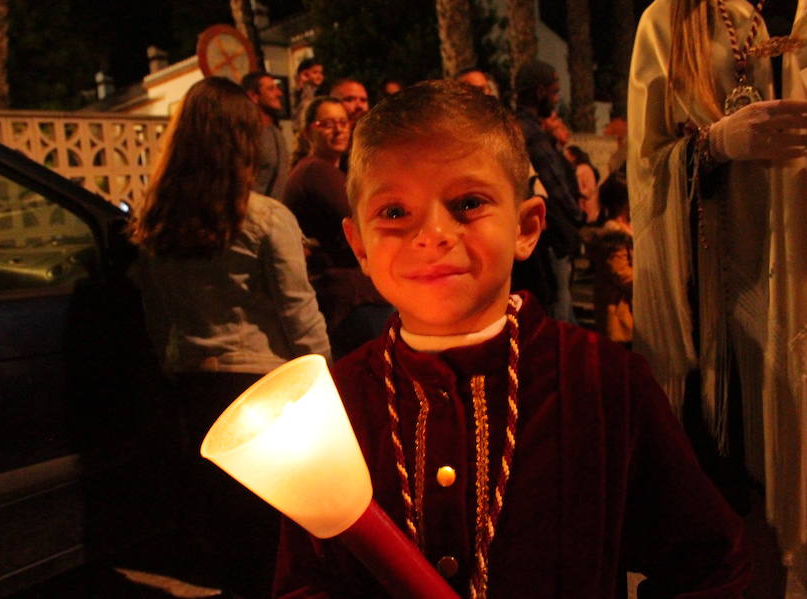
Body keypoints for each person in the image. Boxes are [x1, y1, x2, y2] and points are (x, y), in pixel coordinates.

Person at [273, 79, 750, 599]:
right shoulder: (336, 404)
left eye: (468, 203)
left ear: (526, 227)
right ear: (358, 244)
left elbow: (708, 563)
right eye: (393, 212)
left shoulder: (603, 380)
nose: (432, 234)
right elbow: (305, 581)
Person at [128, 77, 331, 598]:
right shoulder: (265, 218)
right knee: (276, 536)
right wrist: (328, 384)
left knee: (226, 533)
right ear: (241, 140)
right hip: (265, 393)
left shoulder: (157, 220)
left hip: (196, 391)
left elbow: (156, 315)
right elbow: (298, 314)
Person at [628, 1, 807, 589]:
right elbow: (648, 167)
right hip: (731, 309)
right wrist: (713, 147)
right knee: (739, 500)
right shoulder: (673, 20)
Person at [284, 96, 390, 359]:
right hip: (352, 298)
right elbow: (365, 218)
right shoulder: (315, 171)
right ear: (309, 131)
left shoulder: (329, 170)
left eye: (343, 122)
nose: (339, 129)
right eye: (327, 124)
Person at [514, 59, 584, 323]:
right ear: (541, 92)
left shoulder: (527, 128)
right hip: (552, 236)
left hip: (546, 235)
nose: (556, 100)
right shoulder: (530, 132)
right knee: (558, 307)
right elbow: (556, 187)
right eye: (554, 92)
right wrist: (578, 216)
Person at [580, 167, 632, 344]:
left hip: (625, 305)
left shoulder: (625, 227)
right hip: (618, 310)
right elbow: (621, 273)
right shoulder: (614, 233)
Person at [242, 71, 289, 199]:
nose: (279, 93)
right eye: (271, 89)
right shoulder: (247, 136)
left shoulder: (276, 132)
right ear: (254, 96)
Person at [564, 144, 602, 224]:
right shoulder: (580, 169)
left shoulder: (583, 169)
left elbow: (589, 190)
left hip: (587, 212)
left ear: (573, 157)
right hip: (586, 211)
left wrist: (576, 193)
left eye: (566, 156)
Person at [292, 57, 325, 134]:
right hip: (302, 128)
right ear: (305, 74)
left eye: (321, 73)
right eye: (315, 72)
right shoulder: (302, 90)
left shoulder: (317, 91)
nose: (319, 76)